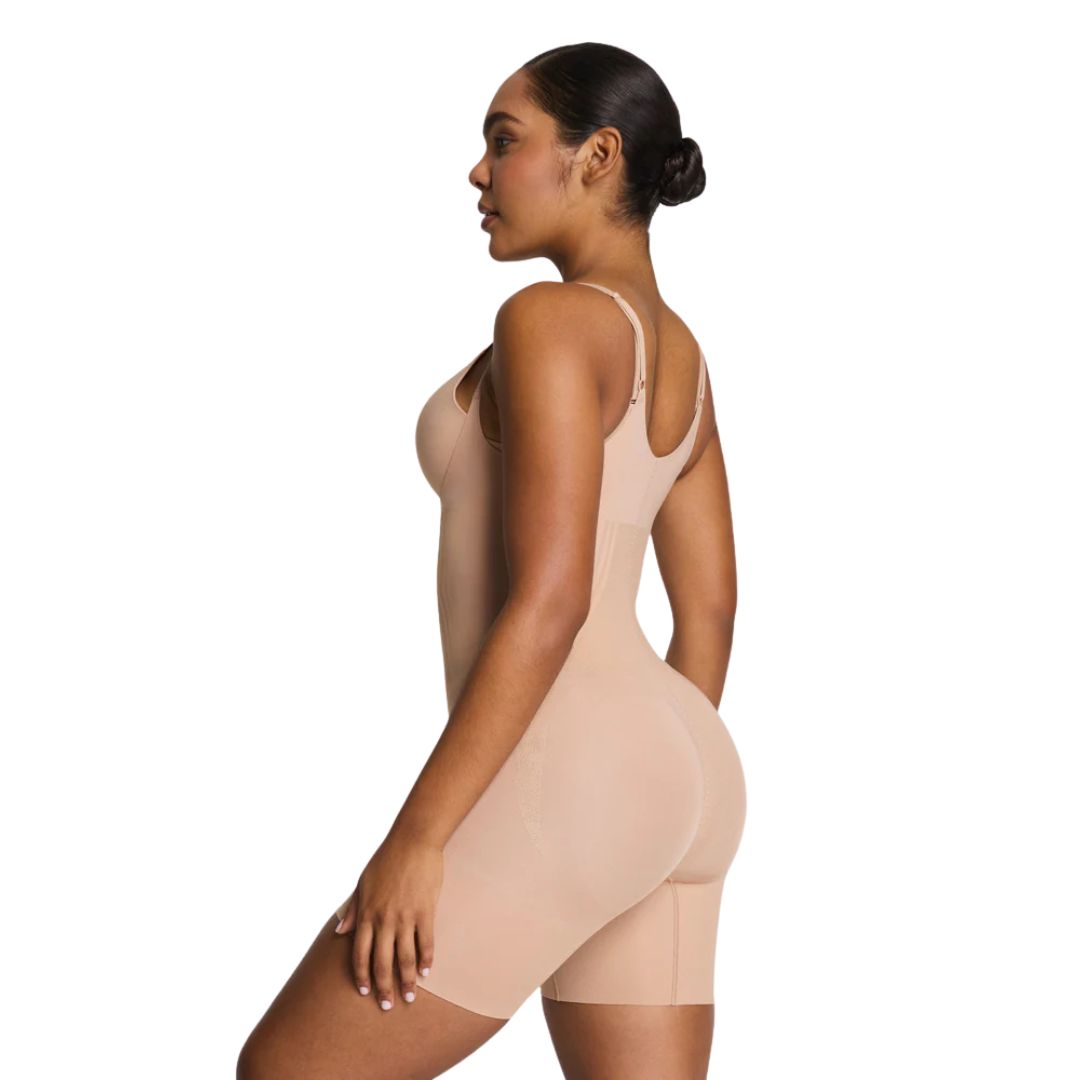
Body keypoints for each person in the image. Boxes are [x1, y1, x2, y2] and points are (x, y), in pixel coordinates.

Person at [238, 41, 746, 1080]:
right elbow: (711, 612)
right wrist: (652, 791)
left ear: (597, 156)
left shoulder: (548, 321)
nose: (479, 172)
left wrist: (420, 839)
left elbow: (552, 599)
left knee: (285, 1072)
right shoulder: (684, 358)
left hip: (575, 757)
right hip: (686, 767)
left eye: (504, 141)